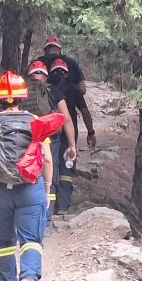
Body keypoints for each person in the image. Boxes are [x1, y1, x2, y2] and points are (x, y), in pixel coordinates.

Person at [0, 71, 53, 281]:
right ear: (23, 97)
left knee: (4, 240)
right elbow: (47, 158)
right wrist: (46, 189)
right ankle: (28, 277)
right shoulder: (36, 122)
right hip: (31, 187)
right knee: (32, 239)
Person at [21, 60, 76, 225]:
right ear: (45, 76)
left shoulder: (21, 90)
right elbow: (66, 118)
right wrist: (72, 144)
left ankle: (24, 213)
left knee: (25, 172)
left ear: (29, 75)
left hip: (24, 137)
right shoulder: (54, 90)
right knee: (49, 175)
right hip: (49, 137)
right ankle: (45, 216)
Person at [48, 59, 96, 214]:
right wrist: (91, 132)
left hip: (50, 133)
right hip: (70, 133)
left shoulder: (47, 89)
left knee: (51, 166)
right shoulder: (74, 90)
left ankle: (48, 206)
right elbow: (85, 112)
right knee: (67, 168)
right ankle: (63, 206)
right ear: (66, 73)